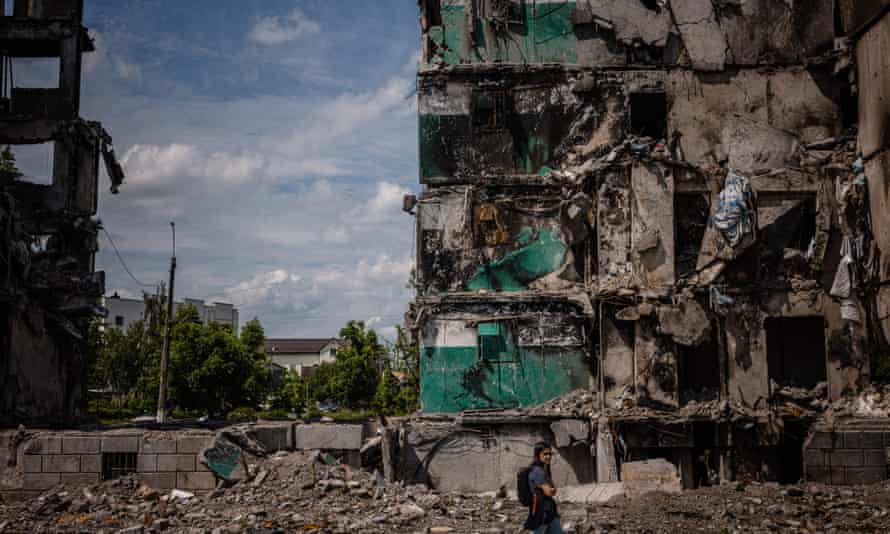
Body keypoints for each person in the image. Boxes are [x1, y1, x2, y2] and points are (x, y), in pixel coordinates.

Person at [524, 441, 563, 534]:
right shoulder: (538, 472)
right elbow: (549, 492)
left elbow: (551, 490)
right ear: (538, 455)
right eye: (545, 454)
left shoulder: (544, 470)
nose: (548, 456)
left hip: (549, 512)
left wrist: (551, 489)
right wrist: (551, 489)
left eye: (550, 454)